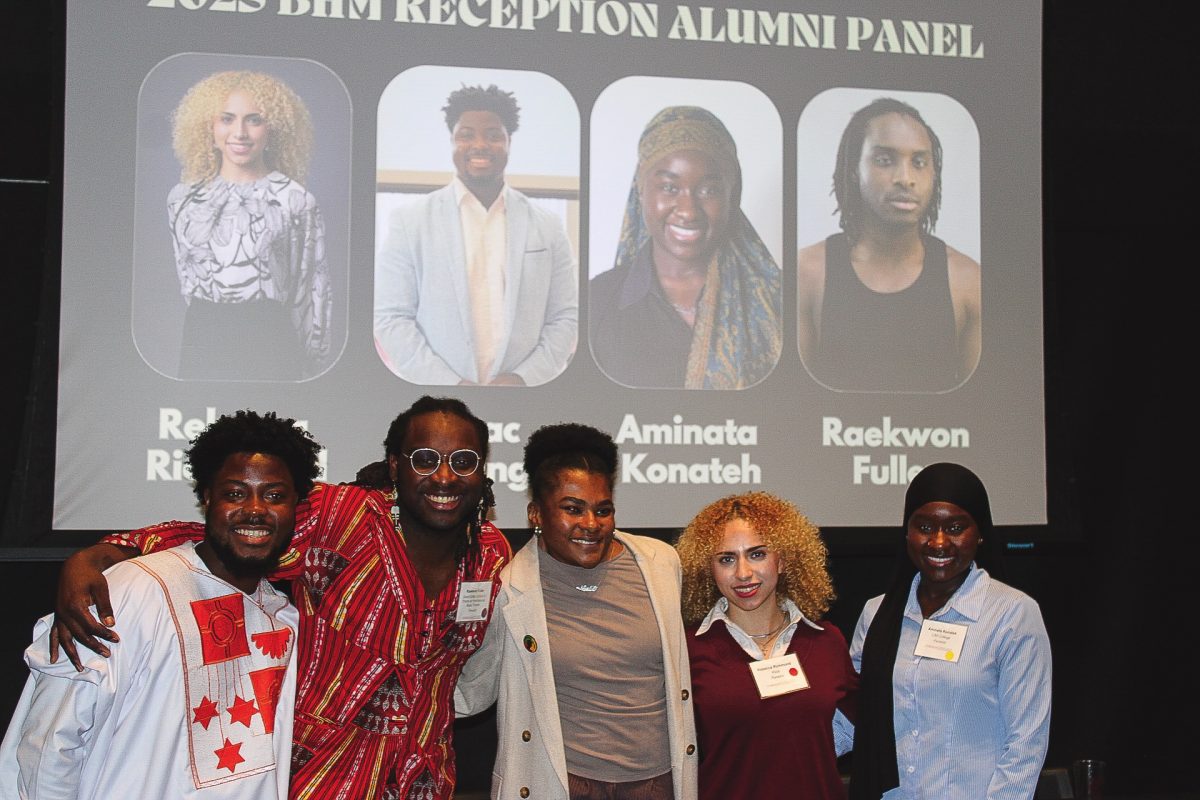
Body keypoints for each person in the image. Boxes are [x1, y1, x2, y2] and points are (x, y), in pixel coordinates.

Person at [51, 397, 511, 800]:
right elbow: (225, 534)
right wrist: (97, 555)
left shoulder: (490, 554)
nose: (445, 476)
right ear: (395, 466)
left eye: (464, 460)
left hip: (421, 775)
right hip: (315, 774)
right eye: (426, 459)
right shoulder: (341, 517)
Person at [0, 410, 319, 798]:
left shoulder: (285, 621)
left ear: (295, 507)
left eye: (274, 496)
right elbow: (49, 741)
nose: (254, 509)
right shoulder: (133, 588)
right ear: (207, 498)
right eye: (235, 493)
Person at [456, 423, 697, 799]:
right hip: (561, 783)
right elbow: (471, 693)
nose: (591, 524)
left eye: (603, 510)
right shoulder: (508, 588)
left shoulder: (661, 564)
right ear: (535, 513)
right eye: (573, 509)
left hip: (656, 783)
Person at [848, 463, 1051, 800]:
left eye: (956, 527)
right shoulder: (877, 613)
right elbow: (854, 714)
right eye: (924, 526)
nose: (939, 542)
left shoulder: (1013, 614)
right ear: (907, 532)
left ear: (980, 533)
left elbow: (1026, 742)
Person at [374, 84, 578, 386]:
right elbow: (390, 318)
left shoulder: (547, 226)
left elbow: (566, 317)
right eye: (466, 135)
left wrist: (524, 379)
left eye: (494, 135)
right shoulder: (410, 221)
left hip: (524, 400)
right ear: (452, 141)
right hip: (440, 404)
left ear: (510, 142)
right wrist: (450, 386)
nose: (480, 144)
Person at [675, 492, 856, 799]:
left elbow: (859, 728)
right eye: (727, 559)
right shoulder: (687, 650)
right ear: (709, 569)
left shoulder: (826, 641)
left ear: (782, 560)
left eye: (757, 554)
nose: (743, 573)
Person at [590, 105, 781, 389]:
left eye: (709, 190)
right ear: (641, 191)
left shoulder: (777, 302)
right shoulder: (597, 302)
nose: (689, 211)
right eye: (669, 187)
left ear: (733, 197)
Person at [797, 97, 981, 392]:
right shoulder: (806, 274)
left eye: (919, 162)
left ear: (934, 174)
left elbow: (985, 411)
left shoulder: (968, 281)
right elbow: (790, 404)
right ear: (854, 169)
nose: (905, 178)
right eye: (885, 160)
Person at [168, 71, 332, 380]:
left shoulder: (295, 200)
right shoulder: (182, 198)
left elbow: (310, 293)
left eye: (254, 120)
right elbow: (187, 279)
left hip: (268, 341)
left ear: (274, 129)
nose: (239, 132)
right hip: (202, 337)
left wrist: (311, 372)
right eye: (227, 119)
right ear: (209, 127)